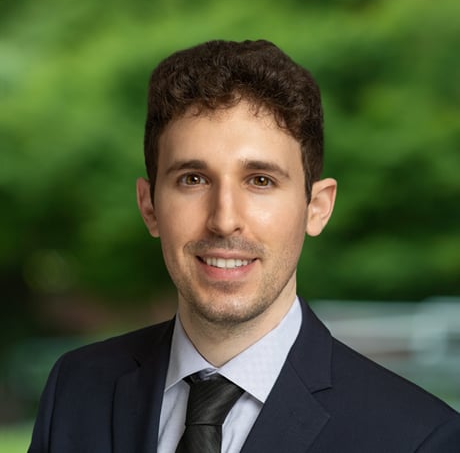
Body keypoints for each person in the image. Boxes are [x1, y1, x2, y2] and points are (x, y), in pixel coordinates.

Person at [28, 39, 460, 453]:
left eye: (260, 181)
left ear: (317, 208)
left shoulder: (419, 439)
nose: (224, 219)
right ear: (149, 206)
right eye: (193, 179)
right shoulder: (76, 388)